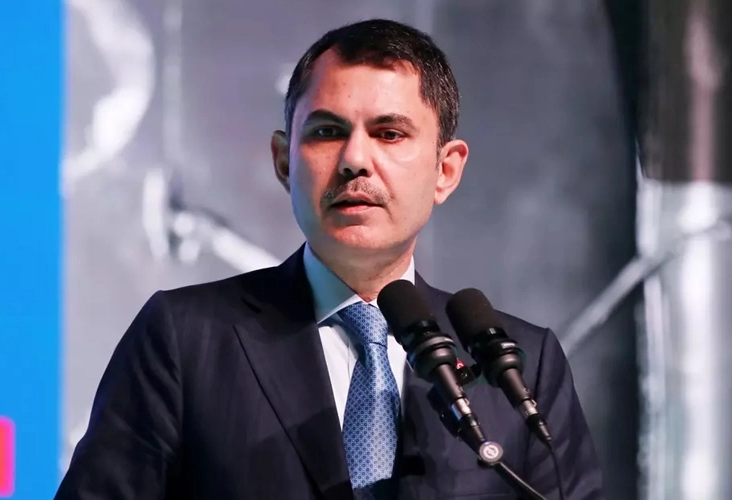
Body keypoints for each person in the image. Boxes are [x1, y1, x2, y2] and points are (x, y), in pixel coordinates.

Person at [55, 18, 604, 500]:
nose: (355, 159)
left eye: (389, 133)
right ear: (283, 161)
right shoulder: (185, 339)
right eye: (327, 132)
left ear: (446, 170)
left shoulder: (520, 367)